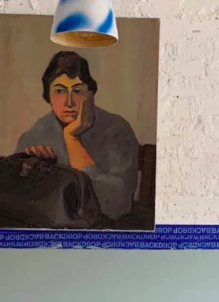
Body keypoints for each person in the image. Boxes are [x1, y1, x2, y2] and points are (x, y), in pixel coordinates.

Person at [16, 51, 139, 221]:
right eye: (60, 91)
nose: (69, 102)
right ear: (48, 95)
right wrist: (31, 167)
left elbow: (116, 206)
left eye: (78, 91)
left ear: (90, 95)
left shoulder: (116, 129)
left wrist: (72, 139)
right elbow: (18, 199)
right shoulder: (36, 133)